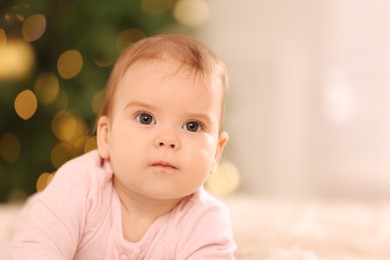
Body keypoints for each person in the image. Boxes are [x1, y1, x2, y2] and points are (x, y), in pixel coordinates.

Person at [10, 34, 236, 259]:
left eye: (192, 126)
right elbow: (36, 250)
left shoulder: (207, 223)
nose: (167, 139)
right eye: (145, 118)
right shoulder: (80, 185)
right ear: (106, 137)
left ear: (216, 152)